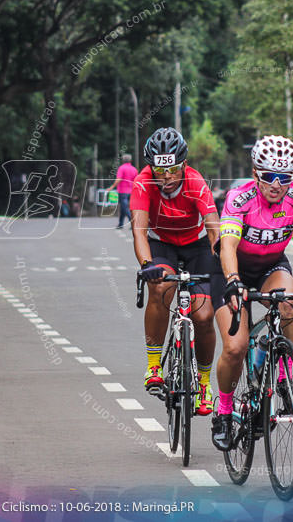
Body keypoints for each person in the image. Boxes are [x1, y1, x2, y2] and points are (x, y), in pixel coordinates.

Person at [210, 135, 293, 451]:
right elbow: (228, 244)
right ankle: (225, 410)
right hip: (231, 270)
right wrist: (232, 279)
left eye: (284, 177)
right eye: (269, 175)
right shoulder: (240, 198)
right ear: (256, 171)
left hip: (271, 264)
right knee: (236, 347)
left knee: (288, 305)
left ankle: (284, 375)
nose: (276, 184)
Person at [130, 128, 220, 416]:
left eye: (172, 169)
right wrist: (147, 266)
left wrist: (222, 262)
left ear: (183, 164)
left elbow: (214, 227)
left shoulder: (195, 182)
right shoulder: (143, 183)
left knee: (204, 315)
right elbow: (139, 231)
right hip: (162, 246)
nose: (166, 176)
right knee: (159, 287)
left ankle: (204, 384)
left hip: (198, 247)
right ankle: (154, 365)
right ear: (150, 166)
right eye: (159, 169)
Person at [107, 153, 138, 229]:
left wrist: (112, 187)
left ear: (123, 160)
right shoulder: (134, 169)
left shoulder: (122, 168)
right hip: (132, 191)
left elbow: (119, 179)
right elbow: (136, 180)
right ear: (130, 160)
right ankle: (121, 224)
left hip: (123, 191)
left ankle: (133, 222)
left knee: (124, 207)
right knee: (124, 207)